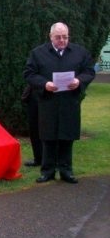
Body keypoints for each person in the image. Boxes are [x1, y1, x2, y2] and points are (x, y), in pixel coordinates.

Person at [24, 22, 95, 184]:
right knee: (48, 137)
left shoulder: (79, 52)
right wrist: (44, 84)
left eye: (65, 37)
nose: (62, 40)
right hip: (48, 101)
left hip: (69, 101)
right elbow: (29, 73)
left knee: (67, 136)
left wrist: (79, 80)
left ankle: (66, 170)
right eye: (58, 37)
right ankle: (47, 171)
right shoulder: (38, 53)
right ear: (51, 37)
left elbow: (89, 71)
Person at [21, 85, 42, 167]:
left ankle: (54, 160)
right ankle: (38, 158)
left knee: (49, 128)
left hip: (51, 93)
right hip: (34, 93)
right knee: (34, 128)